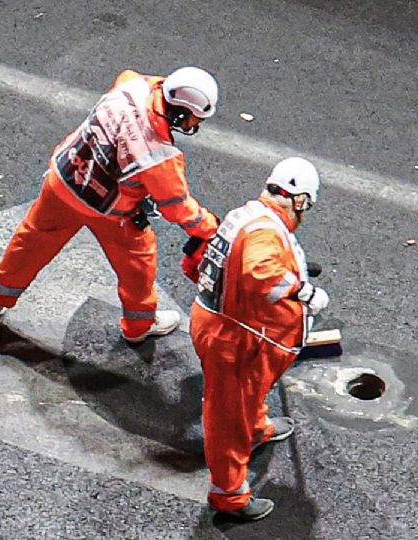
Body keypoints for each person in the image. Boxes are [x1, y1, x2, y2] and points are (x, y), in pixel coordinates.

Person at [0, 66, 221, 344]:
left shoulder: (133, 85)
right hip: (108, 210)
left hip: (64, 181)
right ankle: (139, 326)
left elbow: (136, 80)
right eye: (193, 120)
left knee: (31, 242)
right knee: (138, 264)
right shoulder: (159, 156)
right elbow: (176, 207)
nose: (193, 126)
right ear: (179, 113)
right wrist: (209, 227)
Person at [185, 157, 330, 521]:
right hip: (233, 339)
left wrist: (295, 268)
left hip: (231, 329)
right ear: (300, 200)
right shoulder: (265, 231)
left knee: (246, 397)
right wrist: (302, 290)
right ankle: (229, 496)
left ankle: (256, 428)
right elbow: (258, 273)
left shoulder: (250, 214)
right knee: (227, 417)